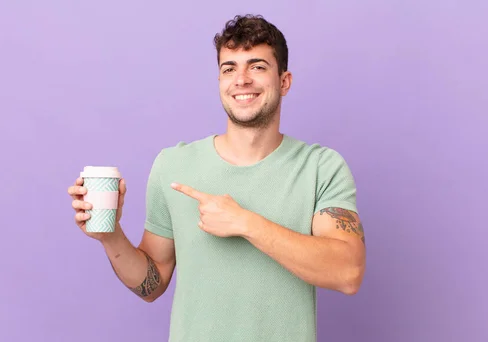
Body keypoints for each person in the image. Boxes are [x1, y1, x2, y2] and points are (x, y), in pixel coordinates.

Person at [68, 14, 366, 342]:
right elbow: (151, 285)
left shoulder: (321, 168)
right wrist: (110, 235)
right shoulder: (174, 166)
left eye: (257, 66)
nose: (241, 79)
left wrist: (245, 223)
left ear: (284, 81)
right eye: (229, 69)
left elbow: (348, 272)